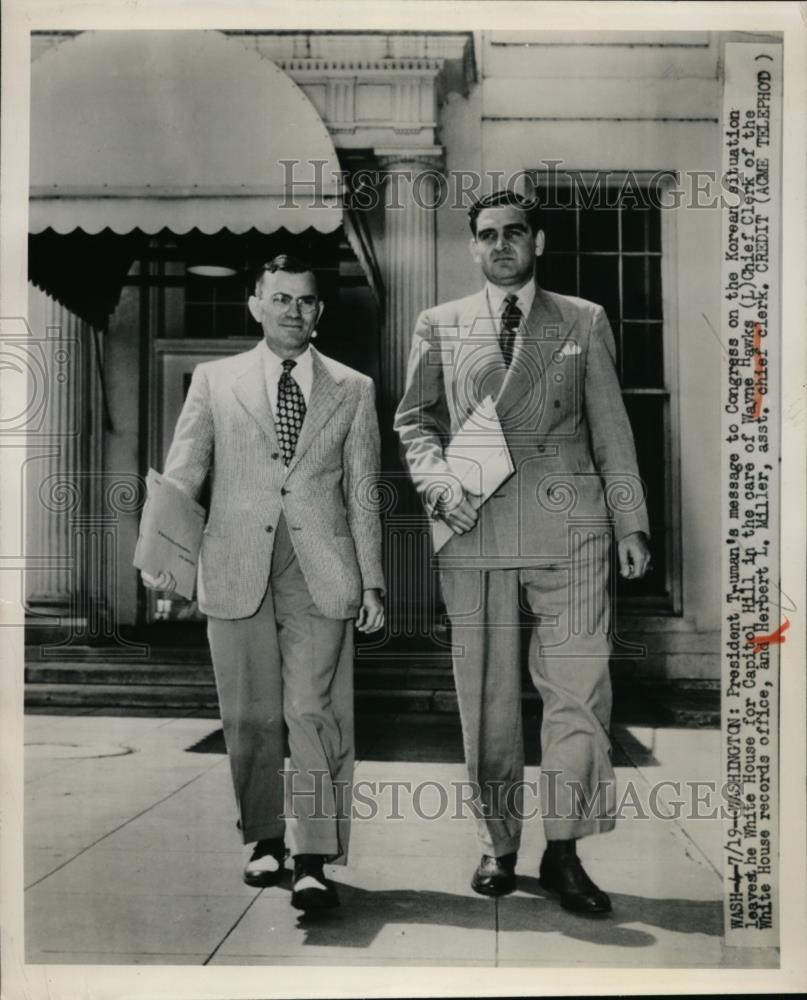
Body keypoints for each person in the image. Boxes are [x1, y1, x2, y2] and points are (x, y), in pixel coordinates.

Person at [394, 190, 651, 915]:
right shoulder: (439, 324)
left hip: (569, 529)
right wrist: (437, 481)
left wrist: (630, 524)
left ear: (535, 241)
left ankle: (564, 849)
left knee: (578, 691)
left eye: (513, 233)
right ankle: (496, 842)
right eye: (486, 235)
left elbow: (612, 425)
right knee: (486, 697)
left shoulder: (581, 318)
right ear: (472, 247)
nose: (500, 245)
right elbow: (414, 420)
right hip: (472, 524)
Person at [141, 254, 385, 911]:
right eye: (279, 299)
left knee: (312, 710)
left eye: (304, 301)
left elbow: (363, 492)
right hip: (234, 562)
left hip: (321, 568)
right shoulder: (215, 382)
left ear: (319, 311)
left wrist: (372, 583)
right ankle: (265, 840)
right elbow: (185, 466)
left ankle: (311, 857)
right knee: (249, 714)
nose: (293, 312)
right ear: (255, 305)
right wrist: (163, 552)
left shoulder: (353, 389)